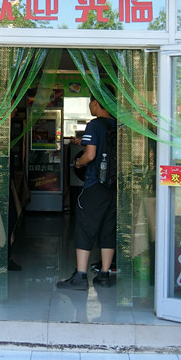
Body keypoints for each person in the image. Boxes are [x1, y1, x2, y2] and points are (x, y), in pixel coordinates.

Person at [57, 92, 116, 291]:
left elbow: (90, 155)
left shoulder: (94, 125)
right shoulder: (117, 125)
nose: (90, 107)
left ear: (96, 103)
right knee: (108, 227)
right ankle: (104, 275)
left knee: (84, 226)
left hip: (95, 185)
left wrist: (78, 163)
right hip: (112, 185)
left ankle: (81, 276)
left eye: (90, 103)